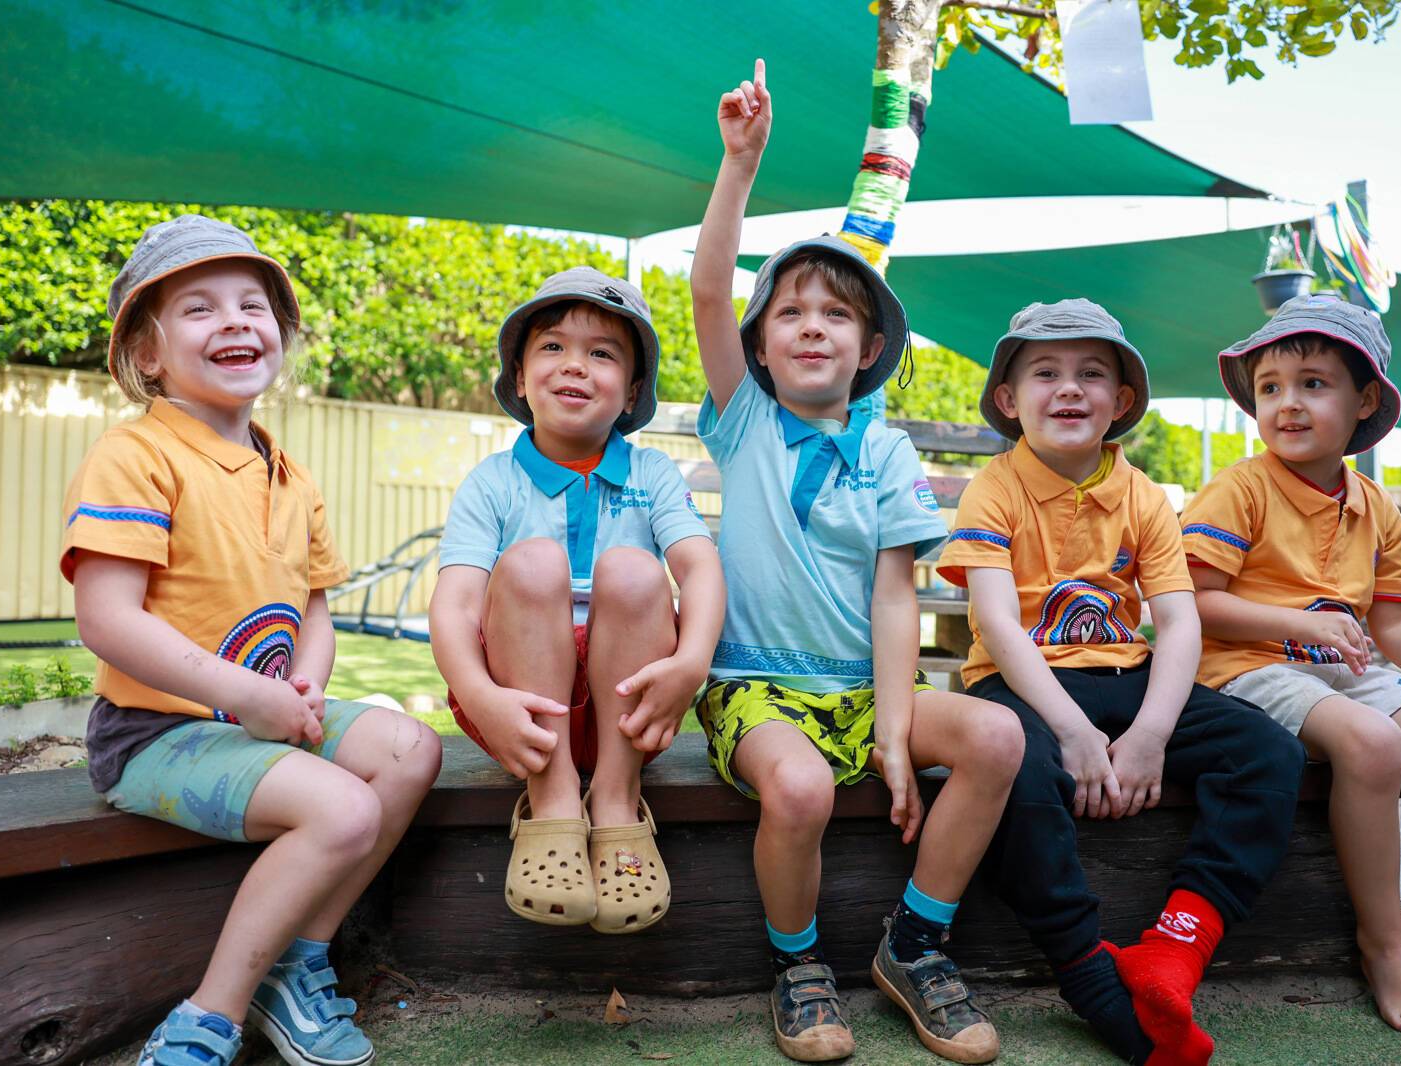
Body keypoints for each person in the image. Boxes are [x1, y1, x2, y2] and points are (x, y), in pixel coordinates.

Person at [689, 61, 1023, 1064]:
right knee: (798, 791)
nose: (809, 326)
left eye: (832, 313)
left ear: (866, 342)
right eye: (788, 312)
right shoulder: (743, 420)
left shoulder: (884, 452)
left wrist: (891, 722)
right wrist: (737, 164)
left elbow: (895, 593)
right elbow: (709, 285)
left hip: (860, 686)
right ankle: (796, 964)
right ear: (758, 344)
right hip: (755, 690)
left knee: (996, 740)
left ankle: (914, 943)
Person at [65, 214, 442, 1066]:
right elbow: (108, 618)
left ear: (279, 333)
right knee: (343, 808)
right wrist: (247, 695)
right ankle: (208, 1016)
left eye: (252, 304)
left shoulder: (290, 473)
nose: (234, 321)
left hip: (256, 717)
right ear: (148, 354)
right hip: (156, 734)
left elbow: (313, 607)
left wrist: (303, 686)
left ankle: (296, 963)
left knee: (411, 750)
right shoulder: (136, 456)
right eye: (198, 309)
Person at [937, 298, 1307, 1066]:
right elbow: (1001, 628)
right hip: (1021, 689)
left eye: (1091, 374)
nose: (1069, 388)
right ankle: (1085, 970)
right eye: (1045, 372)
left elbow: (1178, 624)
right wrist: (1072, 731)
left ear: (1122, 401)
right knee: (1019, 775)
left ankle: (1178, 942)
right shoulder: (994, 488)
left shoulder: (1144, 496)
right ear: (1009, 401)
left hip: (1126, 679)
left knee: (1269, 752)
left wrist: (1150, 736)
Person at [1182, 293, 1401, 1047]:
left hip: (1338, 671)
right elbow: (1190, 603)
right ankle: (1385, 946)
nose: (1286, 403)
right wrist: (1297, 622)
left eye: (1313, 383)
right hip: (1242, 666)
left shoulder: (1375, 507)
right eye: (1271, 387)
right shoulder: (1241, 488)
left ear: (1364, 399)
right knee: (1374, 744)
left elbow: (1393, 623)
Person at [429, 266, 724, 934]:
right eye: (553, 348)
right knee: (533, 561)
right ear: (520, 375)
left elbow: (700, 568)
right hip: (520, 710)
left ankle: (617, 799)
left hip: (634, 709)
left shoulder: (652, 474)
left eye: (602, 353)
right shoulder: (494, 482)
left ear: (632, 392)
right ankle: (554, 797)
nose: (575, 366)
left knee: (634, 570)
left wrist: (692, 664)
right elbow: (454, 605)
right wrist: (478, 695)